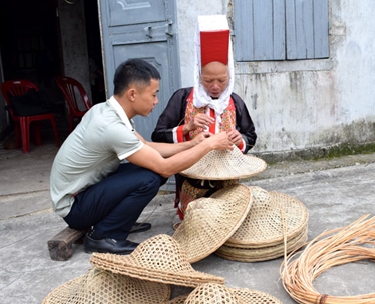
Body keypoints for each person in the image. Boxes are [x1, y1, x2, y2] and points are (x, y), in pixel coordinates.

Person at [50, 58, 234, 255]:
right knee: (150, 177)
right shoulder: (111, 127)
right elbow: (165, 168)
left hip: (85, 193)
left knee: (149, 170)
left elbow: (146, 146)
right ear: (132, 94)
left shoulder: (107, 111)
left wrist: (192, 143)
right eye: (153, 94)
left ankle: (118, 220)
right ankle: (104, 236)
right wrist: (209, 144)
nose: (156, 101)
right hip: (75, 207)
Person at [151, 15, 257, 228]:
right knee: (195, 222)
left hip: (227, 177)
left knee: (227, 220)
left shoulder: (234, 101)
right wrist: (187, 127)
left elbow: (251, 136)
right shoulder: (182, 98)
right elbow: (157, 135)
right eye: (208, 80)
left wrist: (240, 139)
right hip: (192, 177)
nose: (215, 86)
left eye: (222, 80)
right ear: (198, 76)